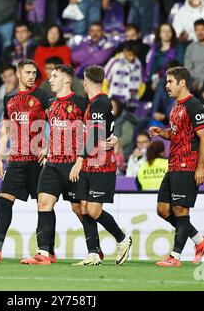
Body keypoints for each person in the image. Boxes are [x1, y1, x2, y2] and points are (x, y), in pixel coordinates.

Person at [0, 59, 50, 263]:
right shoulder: (9, 98)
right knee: (4, 200)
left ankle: (46, 251)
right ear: (18, 74)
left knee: (44, 204)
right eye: (28, 72)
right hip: (15, 159)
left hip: (37, 160)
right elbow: (6, 131)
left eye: (34, 72)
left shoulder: (42, 97)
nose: (32, 76)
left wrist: (48, 147)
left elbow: (58, 123)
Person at [19, 64, 91, 265]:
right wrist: (48, 148)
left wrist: (112, 138)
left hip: (74, 165)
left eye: (54, 76)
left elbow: (97, 126)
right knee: (44, 203)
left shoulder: (80, 102)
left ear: (67, 80)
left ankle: (94, 250)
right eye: (50, 76)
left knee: (80, 210)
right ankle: (44, 253)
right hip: (53, 164)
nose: (50, 80)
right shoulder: (50, 103)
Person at [69, 65, 133, 266]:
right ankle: (93, 253)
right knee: (81, 206)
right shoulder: (96, 102)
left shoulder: (100, 103)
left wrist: (79, 159)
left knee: (94, 211)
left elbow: (96, 133)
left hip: (101, 164)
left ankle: (122, 239)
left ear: (86, 81)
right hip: (91, 162)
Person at [149, 66, 204, 267]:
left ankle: (175, 257)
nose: (166, 86)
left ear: (182, 82)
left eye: (170, 82)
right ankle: (200, 241)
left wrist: (201, 167)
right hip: (174, 164)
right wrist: (162, 132)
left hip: (188, 164)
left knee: (181, 210)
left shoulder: (194, 105)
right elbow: (176, 133)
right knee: (163, 209)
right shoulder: (175, 106)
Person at [144, 23, 185, 89]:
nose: (167, 33)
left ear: (172, 33)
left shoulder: (179, 47)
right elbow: (152, 67)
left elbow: (178, 67)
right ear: (159, 33)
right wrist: (150, 81)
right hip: (157, 79)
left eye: (169, 31)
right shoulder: (155, 48)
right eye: (164, 31)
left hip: (174, 79)